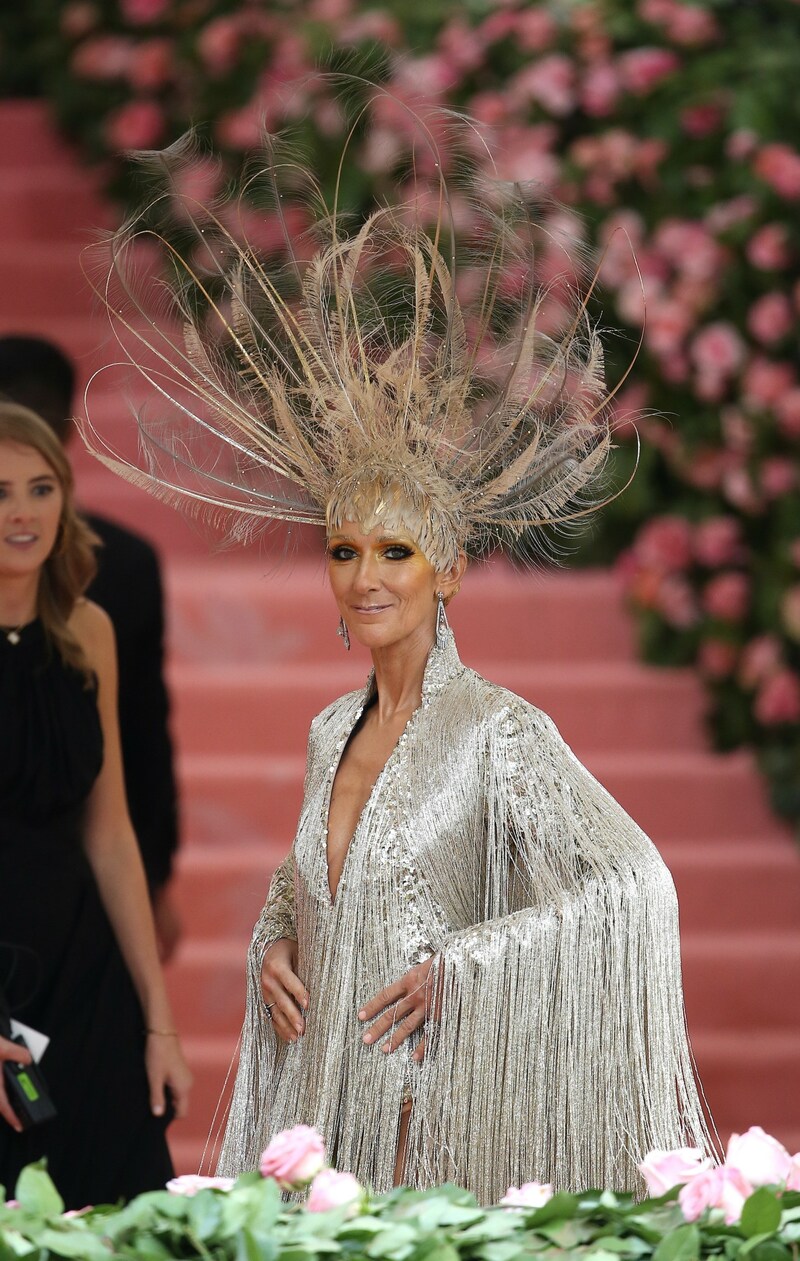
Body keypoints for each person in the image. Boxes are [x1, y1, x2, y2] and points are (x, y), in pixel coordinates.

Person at [80, 117, 714, 1201]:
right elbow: (320, 884)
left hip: (443, 1115)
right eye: (341, 549)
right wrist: (274, 946)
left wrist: (460, 970)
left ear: (449, 568)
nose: (363, 577)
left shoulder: (498, 730)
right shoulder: (332, 727)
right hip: (329, 1117)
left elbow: (632, 886)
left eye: (394, 551)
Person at [0, 402, 192, 1208]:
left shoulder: (91, 632)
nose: (22, 512)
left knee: (125, 1209)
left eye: (42, 488)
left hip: (87, 976)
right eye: (0, 491)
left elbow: (111, 832)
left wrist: (159, 1021)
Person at [0, 335, 181, 961]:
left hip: (83, 901)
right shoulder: (129, 561)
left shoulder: (120, 576)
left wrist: (150, 877)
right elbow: (147, 731)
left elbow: (140, 731)